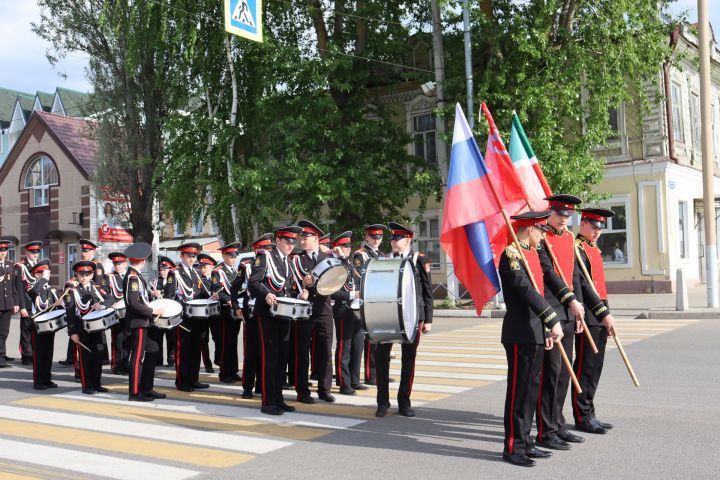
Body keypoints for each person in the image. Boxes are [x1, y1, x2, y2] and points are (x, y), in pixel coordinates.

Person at [499, 211, 563, 467]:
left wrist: (546, 327)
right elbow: (525, 291)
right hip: (520, 332)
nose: (544, 235)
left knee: (531, 391)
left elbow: (541, 292)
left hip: (536, 331)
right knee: (519, 391)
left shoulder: (532, 254)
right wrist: (552, 318)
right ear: (529, 228)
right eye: (541, 230)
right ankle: (513, 446)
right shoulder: (511, 254)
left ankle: (527, 442)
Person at [535, 194, 588, 451]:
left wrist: (578, 309)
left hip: (569, 312)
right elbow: (547, 273)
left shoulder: (568, 238)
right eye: (560, 214)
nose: (565, 219)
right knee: (551, 373)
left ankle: (558, 424)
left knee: (564, 374)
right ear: (550, 213)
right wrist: (569, 301)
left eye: (568, 215)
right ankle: (545, 429)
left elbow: (574, 275)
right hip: (552, 311)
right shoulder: (541, 239)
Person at [374, 222, 433, 418]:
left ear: (408, 240)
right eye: (392, 238)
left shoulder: (419, 259)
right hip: (388, 316)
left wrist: (428, 319)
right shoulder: (385, 259)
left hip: (412, 316)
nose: (393, 242)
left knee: (409, 360)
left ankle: (404, 401)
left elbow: (426, 291)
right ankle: (382, 402)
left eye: (397, 239)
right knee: (381, 359)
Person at [249, 226, 308, 415]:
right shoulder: (265, 256)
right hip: (267, 314)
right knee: (270, 357)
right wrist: (266, 294)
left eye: (293, 242)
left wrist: (300, 294)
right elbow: (254, 282)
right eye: (288, 241)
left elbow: (286, 290)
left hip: (283, 314)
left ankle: (278, 398)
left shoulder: (287, 261)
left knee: (282, 357)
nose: (291, 245)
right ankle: (267, 401)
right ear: (278, 240)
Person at [572, 208, 619, 434]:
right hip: (589, 316)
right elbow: (583, 287)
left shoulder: (593, 249)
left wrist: (607, 315)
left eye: (600, 228)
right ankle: (581, 415)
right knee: (585, 367)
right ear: (582, 224)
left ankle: (590, 411)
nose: (597, 231)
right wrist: (602, 314)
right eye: (593, 227)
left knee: (596, 368)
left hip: (600, 315)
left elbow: (601, 289)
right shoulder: (577, 249)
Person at [291, 220, 335, 403]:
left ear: (316, 239)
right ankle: (303, 391)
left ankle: (324, 389)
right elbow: (290, 285)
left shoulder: (327, 258)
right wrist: (301, 286)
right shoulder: (296, 259)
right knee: (302, 351)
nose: (302, 240)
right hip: (305, 310)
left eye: (306, 237)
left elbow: (337, 279)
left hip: (324, 308)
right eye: (301, 237)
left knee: (325, 350)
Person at [123, 242, 167, 402]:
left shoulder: (136, 276)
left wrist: (152, 296)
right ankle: (134, 392)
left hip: (144, 321)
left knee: (153, 350)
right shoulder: (132, 278)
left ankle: (147, 388)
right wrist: (153, 311)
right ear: (142, 261)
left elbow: (140, 298)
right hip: (138, 322)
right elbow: (134, 303)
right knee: (137, 356)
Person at [232, 233, 273, 399]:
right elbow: (235, 288)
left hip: (267, 311)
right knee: (252, 351)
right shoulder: (246, 266)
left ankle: (261, 385)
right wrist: (236, 307)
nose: (268, 252)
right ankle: (247, 387)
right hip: (250, 313)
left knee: (265, 350)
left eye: (270, 248)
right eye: (265, 249)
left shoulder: (274, 264)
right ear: (258, 250)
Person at [66, 261, 109, 395]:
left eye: (87, 274)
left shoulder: (96, 289)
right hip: (82, 329)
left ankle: (97, 383)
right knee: (85, 359)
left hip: (97, 328)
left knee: (97, 357)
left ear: (91, 275)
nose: (84, 277)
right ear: (77, 276)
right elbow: (70, 313)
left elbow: (110, 299)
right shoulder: (72, 292)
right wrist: (72, 332)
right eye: (81, 274)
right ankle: (87, 385)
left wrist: (102, 305)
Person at [330, 231, 365, 395]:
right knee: (345, 347)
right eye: (344, 246)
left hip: (356, 309)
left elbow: (356, 283)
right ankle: (344, 383)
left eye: (349, 246)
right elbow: (333, 293)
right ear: (336, 248)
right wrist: (354, 295)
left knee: (358, 346)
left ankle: (354, 380)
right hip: (343, 309)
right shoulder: (334, 266)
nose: (348, 249)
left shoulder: (349, 264)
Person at [173, 242, 211, 392]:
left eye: (194, 256)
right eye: (189, 256)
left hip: (197, 317)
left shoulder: (195, 273)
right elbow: (170, 296)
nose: (192, 259)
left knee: (195, 349)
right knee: (184, 350)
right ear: (182, 256)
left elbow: (200, 293)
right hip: (184, 318)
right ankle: (182, 381)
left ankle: (193, 379)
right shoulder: (174, 273)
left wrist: (210, 297)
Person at [353, 224, 386, 385]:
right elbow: (360, 278)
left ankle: (377, 371)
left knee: (379, 338)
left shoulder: (381, 254)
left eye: (379, 237)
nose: (376, 240)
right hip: (368, 300)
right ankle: (370, 374)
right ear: (366, 237)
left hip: (380, 299)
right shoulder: (361, 255)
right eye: (373, 237)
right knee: (370, 338)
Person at [28, 259, 62, 390]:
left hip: (50, 326)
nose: (47, 275)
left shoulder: (51, 289)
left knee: (48, 354)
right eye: (43, 272)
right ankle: (38, 381)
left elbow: (56, 307)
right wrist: (43, 279)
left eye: (48, 272)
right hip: (38, 327)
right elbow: (35, 292)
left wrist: (60, 303)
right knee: (39, 354)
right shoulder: (32, 288)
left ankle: (47, 379)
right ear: (37, 274)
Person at [213, 242, 242, 383]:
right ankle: (224, 373)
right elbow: (216, 289)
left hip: (235, 310)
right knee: (225, 343)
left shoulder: (235, 271)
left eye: (235, 256)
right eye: (230, 256)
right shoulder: (218, 271)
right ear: (223, 255)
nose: (233, 259)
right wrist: (229, 299)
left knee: (233, 341)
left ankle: (233, 370)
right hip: (224, 311)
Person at [16, 240, 43, 365]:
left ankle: (34, 353)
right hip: (26, 304)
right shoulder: (22, 267)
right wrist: (22, 307)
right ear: (27, 252)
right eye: (32, 252)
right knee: (26, 331)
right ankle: (26, 356)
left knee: (36, 330)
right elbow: (20, 289)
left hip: (38, 304)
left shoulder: (40, 266)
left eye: (37, 252)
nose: (35, 254)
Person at [150, 256, 177, 366]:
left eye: (164, 270)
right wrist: (154, 295)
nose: (162, 272)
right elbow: (150, 299)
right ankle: (158, 360)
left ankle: (171, 359)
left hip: (171, 313)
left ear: (170, 270)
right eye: (160, 270)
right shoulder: (155, 282)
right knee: (157, 337)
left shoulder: (175, 280)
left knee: (171, 337)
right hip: (159, 314)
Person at [105, 252, 129, 375]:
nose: (117, 266)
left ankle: (126, 364)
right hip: (117, 313)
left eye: (119, 263)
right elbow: (104, 292)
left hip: (129, 312)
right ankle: (117, 365)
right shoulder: (109, 277)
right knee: (118, 340)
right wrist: (111, 302)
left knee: (128, 340)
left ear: (125, 263)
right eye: (115, 264)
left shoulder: (131, 276)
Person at [0, 239, 19, 368]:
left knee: (4, 331)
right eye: (0, 250)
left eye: (5, 250)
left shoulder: (10, 265)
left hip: (7, 304)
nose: (3, 253)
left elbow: (13, 286)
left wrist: (15, 302)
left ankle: (2, 353)